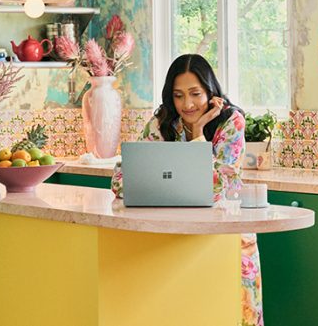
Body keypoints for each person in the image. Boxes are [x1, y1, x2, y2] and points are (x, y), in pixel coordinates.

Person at [111, 54, 263, 326]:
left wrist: (198, 133)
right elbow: (121, 181)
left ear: (210, 91)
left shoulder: (232, 123)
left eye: (195, 93)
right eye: (178, 95)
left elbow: (217, 188)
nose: (187, 104)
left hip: (225, 239)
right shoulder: (163, 122)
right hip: (175, 240)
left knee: (233, 316)